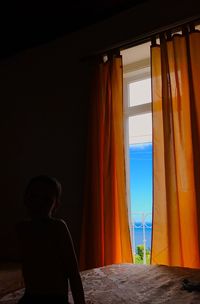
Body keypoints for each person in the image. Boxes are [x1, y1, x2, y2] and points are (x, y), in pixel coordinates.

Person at [16, 175, 85, 304]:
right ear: (25, 199)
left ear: (56, 205)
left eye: (46, 199)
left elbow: (73, 272)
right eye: (34, 197)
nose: (38, 203)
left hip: (56, 298)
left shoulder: (58, 227)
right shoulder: (21, 228)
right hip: (31, 296)